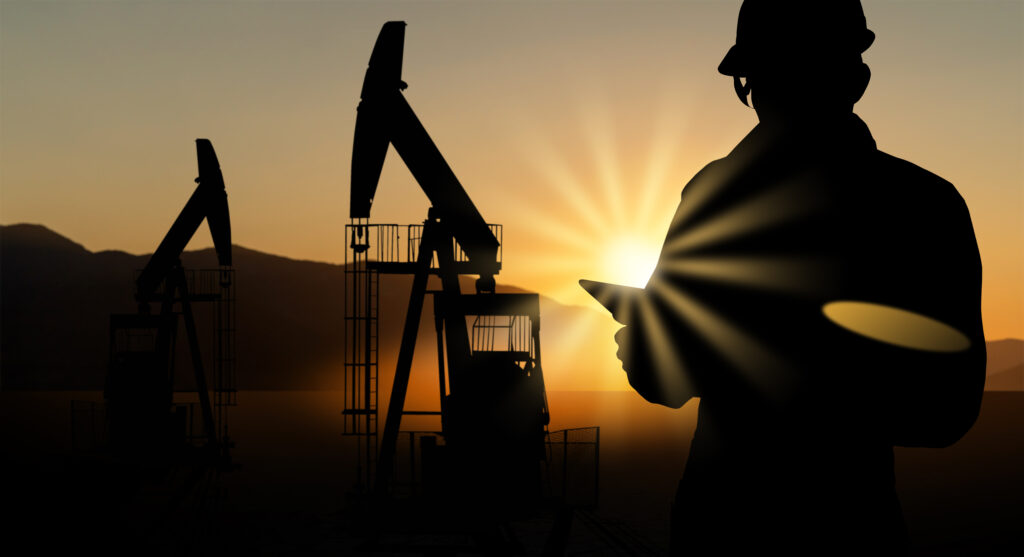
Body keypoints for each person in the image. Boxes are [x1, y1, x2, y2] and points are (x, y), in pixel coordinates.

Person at [613, 1, 986, 554]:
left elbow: (944, 411)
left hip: (735, 527)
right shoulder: (925, 204)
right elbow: (945, 412)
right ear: (856, 78)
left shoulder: (714, 197)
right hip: (847, 527)